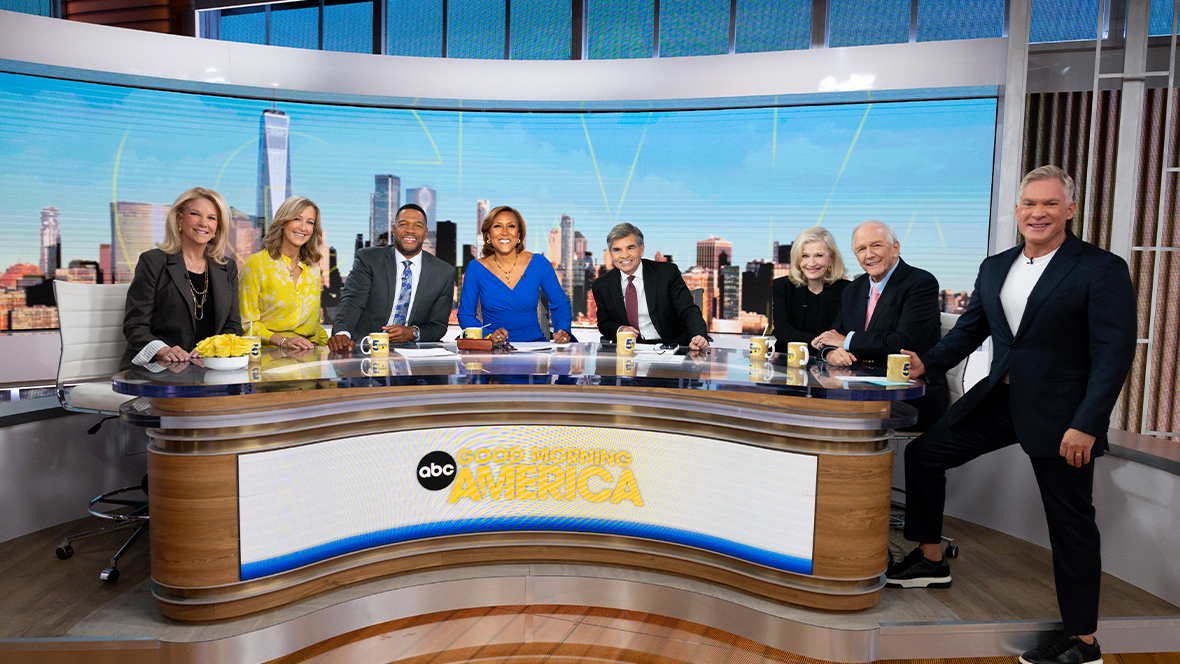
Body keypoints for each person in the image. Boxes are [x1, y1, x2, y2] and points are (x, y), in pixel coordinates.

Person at [889, 166, 1136, 664]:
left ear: (1070, 209)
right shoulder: (996, 265)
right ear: (1017, 210)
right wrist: (927, 363)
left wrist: (1087, 422)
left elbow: (1114, 353)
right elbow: (969, 331)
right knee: (925, 455)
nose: (1037, 213)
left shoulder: (1099, 267)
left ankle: (1083, 641)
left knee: (1070, 524)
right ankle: (931, 559)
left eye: (1049, 204)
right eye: (1029, 204)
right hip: (1001, 399)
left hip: (1064, 415)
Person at [813, 220, 945, 430]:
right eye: (861, 249)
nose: (869, 254)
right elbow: (833, 336)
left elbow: (902, 343)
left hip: (905, 394)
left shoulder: (920, 283)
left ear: (895, 248)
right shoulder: (853, 289)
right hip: (858, 390)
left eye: (876, 245)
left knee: (832, 423)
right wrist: (830, 352)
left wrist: (846, 341)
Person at [121, 187, 243, 369]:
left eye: (212, 218)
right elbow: (135, 326)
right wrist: (164, 350)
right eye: (195, 214)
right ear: (179, 219)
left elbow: (233, 326)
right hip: (159, 367)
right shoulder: (153, 262)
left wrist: (211, 350)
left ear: (218, 227)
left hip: (209, 367)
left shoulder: (227, 267)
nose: (203, 223)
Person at [327, 203, 456, 351]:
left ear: (426, 233)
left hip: (413, 354)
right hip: (365, 349)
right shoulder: (368, 259)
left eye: (417, 226)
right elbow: (352, 301)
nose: (410, 230)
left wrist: (412, 333)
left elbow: (438, 326)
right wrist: (342, 334)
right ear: (394, 229)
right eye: (403, 224)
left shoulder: (444, 272)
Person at [457, 205, 572, 343]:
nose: (505, 232)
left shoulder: (539, 263)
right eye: (498, 226)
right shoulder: (475, 268)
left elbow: (560, 305)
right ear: (488, 235)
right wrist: (488, 334)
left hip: (534, 349)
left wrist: (563, 330)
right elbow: (466, 315)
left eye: (511, 226)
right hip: (493, 349)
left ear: (519, 234)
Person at [591, 223, 710, 351]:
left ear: (641, 249)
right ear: (611, 253)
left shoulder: (666, 273)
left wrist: (698, 336)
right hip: (628, 350)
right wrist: (619, 330)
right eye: (617, 250)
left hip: (669, 348)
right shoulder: (601, 285)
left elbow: (688, 310)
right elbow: (604, 323)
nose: (624, 255)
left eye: (630, 248)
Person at [239, 196, 329, 351]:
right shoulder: (256, 264)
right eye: (297, 219)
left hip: (309, 358)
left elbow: (315, 327)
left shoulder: (313, 270)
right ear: (282, 222)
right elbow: (247, 324)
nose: (303, 227)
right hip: (268, 359)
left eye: (310, 222)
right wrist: (283, 341)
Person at [772, 226, 849, 345]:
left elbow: (842, 334)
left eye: (819, 255)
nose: (811, 263)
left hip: (832, 361)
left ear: (831, 258)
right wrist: (814, 342)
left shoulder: (848, 291)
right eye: (805, 256)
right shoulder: (782, 287)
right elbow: (782, 331)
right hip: (789, 360)